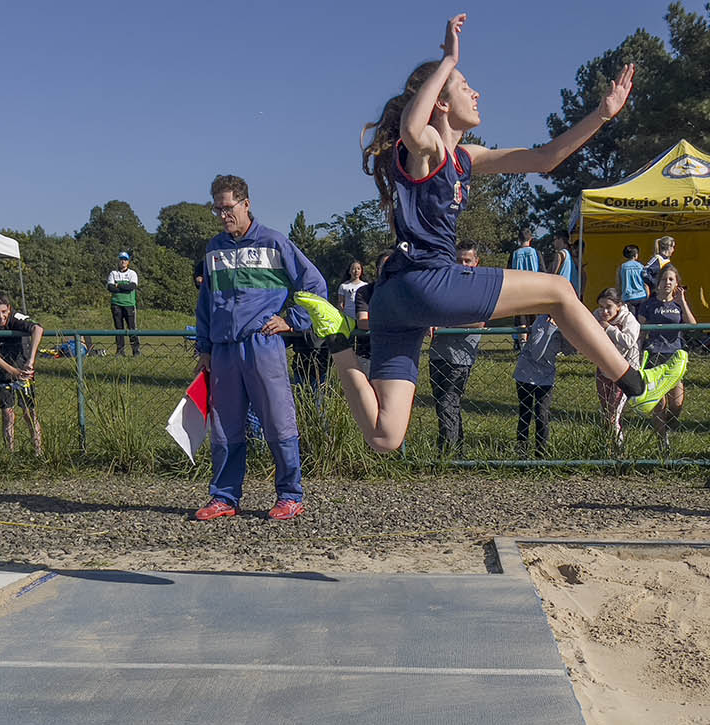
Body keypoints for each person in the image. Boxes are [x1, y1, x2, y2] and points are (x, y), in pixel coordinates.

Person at [293, 14, 684, 454]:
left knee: (385, 436)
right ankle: (637, 383)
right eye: (464, 87)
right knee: (557, 288)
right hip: (429, 284)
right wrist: (447, 60)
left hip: (393, 299)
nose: (476, 93)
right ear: (440, 102)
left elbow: (544, 159)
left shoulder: (466, 156)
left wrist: (601, 115)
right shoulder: (427, 150)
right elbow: (410, 127)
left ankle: (340, 341)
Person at [194, 174, 329, 522]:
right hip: (223, 350)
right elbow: (206, 303)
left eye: (228, 208)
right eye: (218, 209)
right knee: (224, 428)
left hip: (263, 344)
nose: (224, 215)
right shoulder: (214, 250)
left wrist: (294, 320)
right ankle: (224, 497)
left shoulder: (274, 242)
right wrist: (204, 347)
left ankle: (290, 495)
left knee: (278, 422)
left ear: (246, 204)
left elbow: (313, 283)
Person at [428, 242, 484, 456]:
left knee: (448, 402)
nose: (462, 264)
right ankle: (457, 451)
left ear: (475, 262)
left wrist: (445, 325)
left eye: (467, 261)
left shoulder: (479, 288)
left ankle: (448, 454)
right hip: (438, 353)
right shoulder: (445, 286)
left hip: (460, 357)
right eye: (458, 260)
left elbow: (478, 321)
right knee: (445, 405)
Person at [637, 265, 695, 452]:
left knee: (676, 403)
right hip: (654, 355)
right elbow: (640, 331)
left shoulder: (679, 305)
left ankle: (670, 426)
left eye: (671, 279)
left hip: (675, 356)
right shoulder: (648, 305)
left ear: (677, 283)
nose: (667, 283)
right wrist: (637, 354)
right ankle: (663, 441)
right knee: (659, 402)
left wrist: (682, 300)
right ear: (658, 283)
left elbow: (692, 325)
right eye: (664, 279)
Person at [0, 294, 44, 455]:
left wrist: (30, 360)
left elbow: (38, 328)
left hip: (24, 370)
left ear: (9, 308)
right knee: (8, 414)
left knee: (30, 412)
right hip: (2, 373)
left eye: (3, 311)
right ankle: (10, 453)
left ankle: (38, 450)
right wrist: (11, 371)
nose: (1, 317)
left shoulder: (16, 317)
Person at [512, 315, 572, 457]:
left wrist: (567, 333)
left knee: (542, 415)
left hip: (546, 376)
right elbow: (536, 353)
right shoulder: (540, 321)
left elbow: (569, 351)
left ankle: (541, 454)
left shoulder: (565, 323)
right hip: (526, 374)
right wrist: (551, 328)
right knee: (525, 413)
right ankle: (521, 452)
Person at [593, 288, 640, 454]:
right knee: (606, 411)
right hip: (604, 368)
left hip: (624, 371)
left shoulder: (629, 320)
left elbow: (628, 341)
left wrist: (608, 329)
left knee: (614, 414)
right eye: (601, 307)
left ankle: (619, 451)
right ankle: (606, 447)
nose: (604, 311)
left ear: (619, 306)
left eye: (609, 307)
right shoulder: (596, 316)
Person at [509, 227, 540, 349]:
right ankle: (534, 343)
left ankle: (521, 343)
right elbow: (542, 269)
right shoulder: (536, 253)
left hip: (518, 289)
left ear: (518, 239)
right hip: (534, 288)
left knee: (521, 316)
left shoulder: (515, 254)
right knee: (534, 316)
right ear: (531, 238)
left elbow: (509, 271)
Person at [106, 251, 140, 356]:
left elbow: (131, 287)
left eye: (125, 259)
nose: (123, 261)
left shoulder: (132, 273)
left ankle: (136, 351)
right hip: (116, 305)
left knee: (132, 328)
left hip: (129, 304)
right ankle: (120, 351)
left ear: (128, 262)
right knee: (119, 329)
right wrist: (121, 287)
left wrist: (118, 286)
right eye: (121, 259)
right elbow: (110, 288)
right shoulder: (113, 273)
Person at [618, 244, 648, 316]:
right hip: (641, 295)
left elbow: (619, 283)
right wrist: (647, 295)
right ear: (636, 255)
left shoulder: (622, 267)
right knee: (641, 317)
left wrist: (619, 296)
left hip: (628, 297)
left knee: (631, 319)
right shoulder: (641, 266)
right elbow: (645, 282)